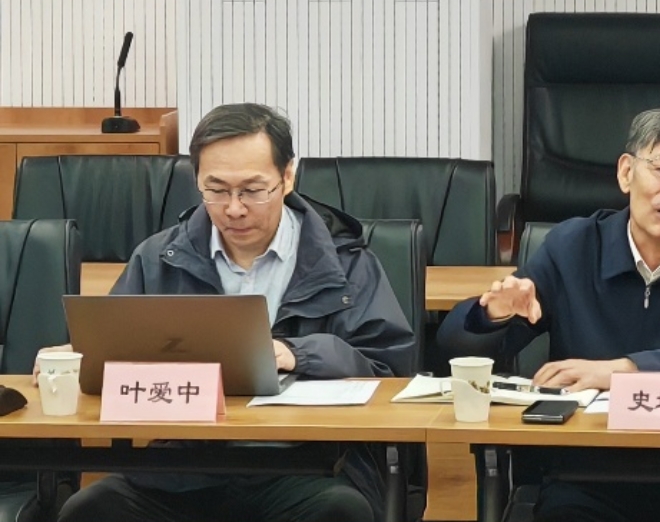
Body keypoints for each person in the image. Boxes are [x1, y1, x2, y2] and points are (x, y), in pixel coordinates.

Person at [44, 103, 414, 522]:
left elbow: (389, 370)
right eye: (216, 190)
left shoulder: (346, 262)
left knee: (339, 511)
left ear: (287, 177)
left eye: (252, 190)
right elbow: (117, 354)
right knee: (90, 510)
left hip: (306, 463)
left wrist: (298, 354)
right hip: (186, 465)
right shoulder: (159, 258)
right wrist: (81, 358)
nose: (234, 208)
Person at [438, 108, 660, 522]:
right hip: (587, 473)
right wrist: (493, 314)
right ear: (626, 173)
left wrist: (623, 371)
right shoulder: (574, 247)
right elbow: (456, 348)